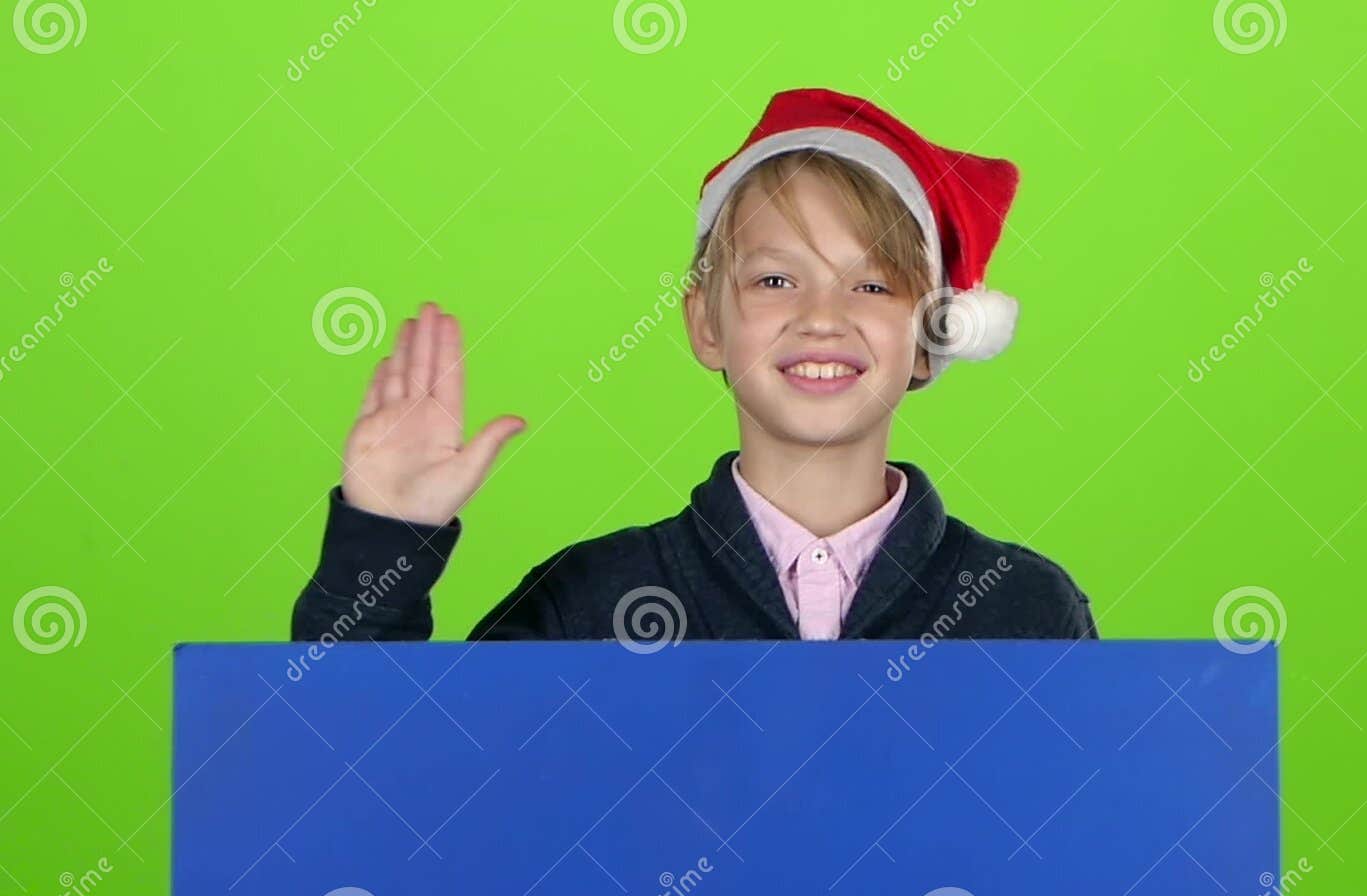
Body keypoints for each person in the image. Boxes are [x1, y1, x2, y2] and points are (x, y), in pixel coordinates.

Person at [290, 87, 1098, 645]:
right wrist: (382, 541)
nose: (823, 317)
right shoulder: (592, 600)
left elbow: (1090, 867)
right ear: (705, 326)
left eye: (873, 283)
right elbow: (384, 798)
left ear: (932, 335)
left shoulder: (1023, 606)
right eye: (775, 280)